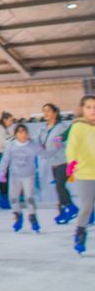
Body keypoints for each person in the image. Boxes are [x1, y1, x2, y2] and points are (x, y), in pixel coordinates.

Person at [0, 124, 43, 233]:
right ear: (16, 134)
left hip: (29, 175)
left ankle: (32, 216)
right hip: (15, 175)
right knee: (13, 197)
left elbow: (45, 153)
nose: (23, 135)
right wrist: (2, 172)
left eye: (25, 132)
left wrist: (55, 147)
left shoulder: (33, 146)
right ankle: (17, 215)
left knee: (29, 197)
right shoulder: (11, 146)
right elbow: (5, 160)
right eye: (20, 132)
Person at [39, 103, 77, 224]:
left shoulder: (61, 127)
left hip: (63, 160)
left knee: (60, 185)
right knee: (58, 187)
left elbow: (64, 142)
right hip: (53, 162)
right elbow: (39, 142)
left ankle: (71, 207)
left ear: (55, 113)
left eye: (48, 111)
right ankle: (63, 211)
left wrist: (55, 145)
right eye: (44, 111)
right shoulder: (43, 129)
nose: (46, 113)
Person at [66, 95, 95, 253]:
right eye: (88, 107)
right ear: (82, 109)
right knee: (86, 207)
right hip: (85, 174)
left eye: (94, 107)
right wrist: (72, 162)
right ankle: (80, 233)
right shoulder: (78, 126)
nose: (92, 111)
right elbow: (72, 147)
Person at [0, 112, 15, 209]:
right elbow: (3, 143)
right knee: (3, 177)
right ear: (5, 120)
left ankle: (9, 198)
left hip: (8, 154)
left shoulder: (10, 129)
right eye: (10, 120)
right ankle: (3, 199)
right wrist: (12, 141)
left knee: (9, 177)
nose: (11, 122)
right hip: (0, 154)